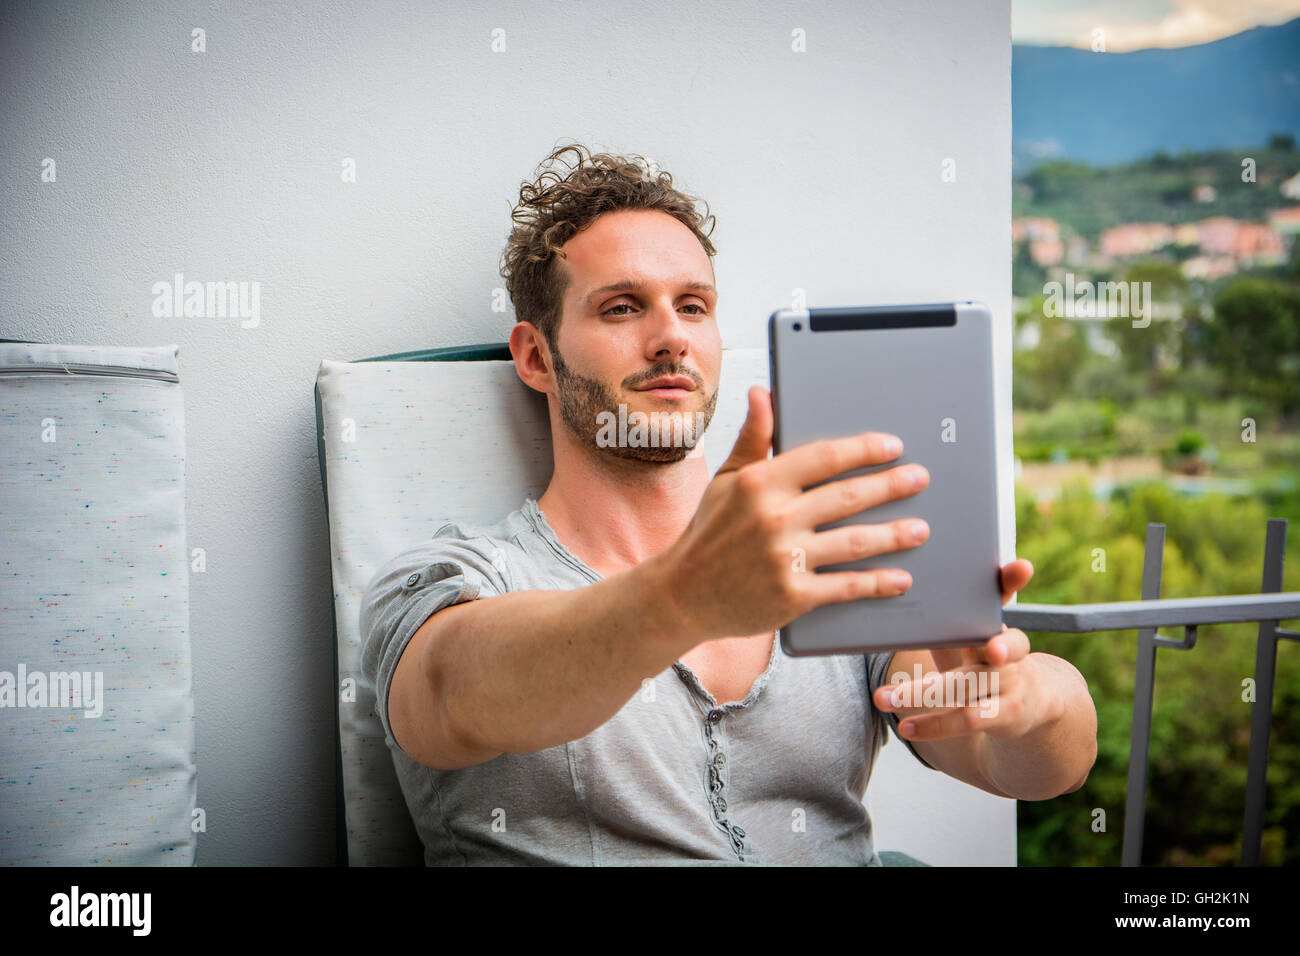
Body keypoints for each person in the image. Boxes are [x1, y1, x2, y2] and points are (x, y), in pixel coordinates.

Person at [359, 142, 1097, 865]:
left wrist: (1031, 705)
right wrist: (685, 595)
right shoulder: (448, 581)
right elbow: (461, 691)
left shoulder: (826, 565)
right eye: (621, 308)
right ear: (536, 356)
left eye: (693, 306)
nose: (671, 337)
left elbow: (1027, 767)